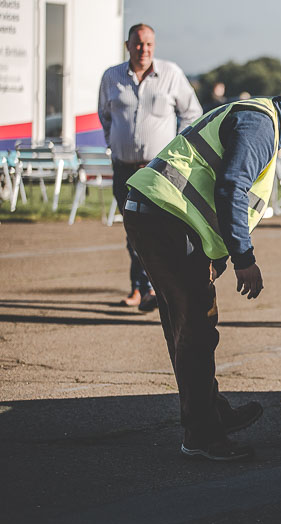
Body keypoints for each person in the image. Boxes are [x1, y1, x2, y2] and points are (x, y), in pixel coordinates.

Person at [123, 73, 281, 461]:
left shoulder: (266, 122)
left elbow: (223, 191)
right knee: (194, 328)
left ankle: (210, 414)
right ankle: (202, 435)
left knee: (192, 326)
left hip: (164, 218)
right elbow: (231, 187)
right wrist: (244, 259)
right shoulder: (261, 124)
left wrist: (216, 257)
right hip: (165, 217)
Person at [98, 23, 203, 311]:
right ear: (127, 45)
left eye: (148, 44)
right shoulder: (112, 77)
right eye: (138, 44)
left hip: (158, 171)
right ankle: (139, 288)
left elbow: (192, 114)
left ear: (154, 46)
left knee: (162, 229)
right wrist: (116, 144)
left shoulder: (171, 74)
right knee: (133, 231)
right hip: (124, 168)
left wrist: (177, 151)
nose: (143, 49)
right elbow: (105, 117)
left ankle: (158, 289)